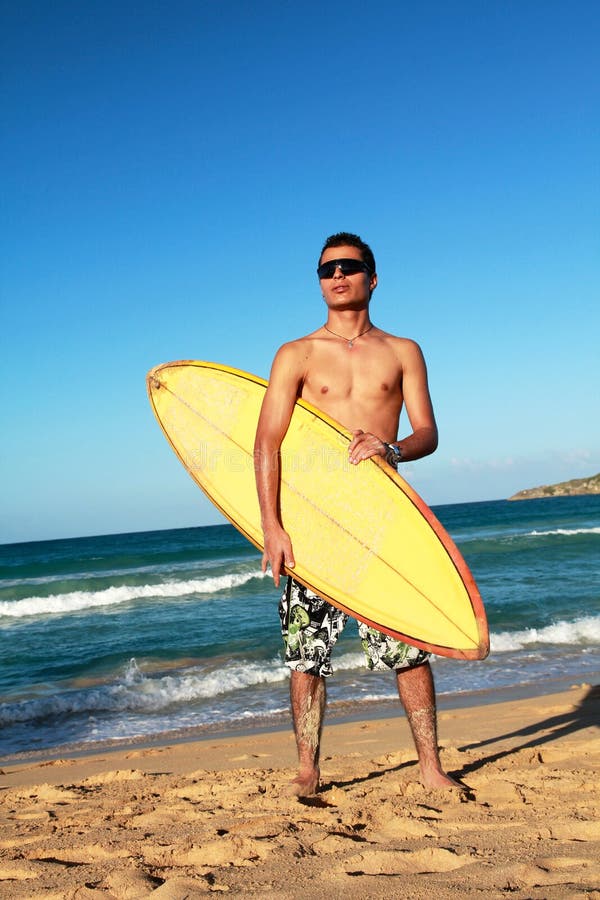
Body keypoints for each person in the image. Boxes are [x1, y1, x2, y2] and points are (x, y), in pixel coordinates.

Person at [254, 232, 461, 797]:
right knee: (306, 652)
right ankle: (308, 768)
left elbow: (427, 433)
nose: (337, 276)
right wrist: (272, 527)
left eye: (349, 266)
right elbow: (267, 441)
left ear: (372, 276)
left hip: (383, 515)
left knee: (408, 646)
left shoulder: (402, 352)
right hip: (315, 518)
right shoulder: (295, 354)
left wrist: (393, 448)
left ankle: (429, 766)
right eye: (327, 270)